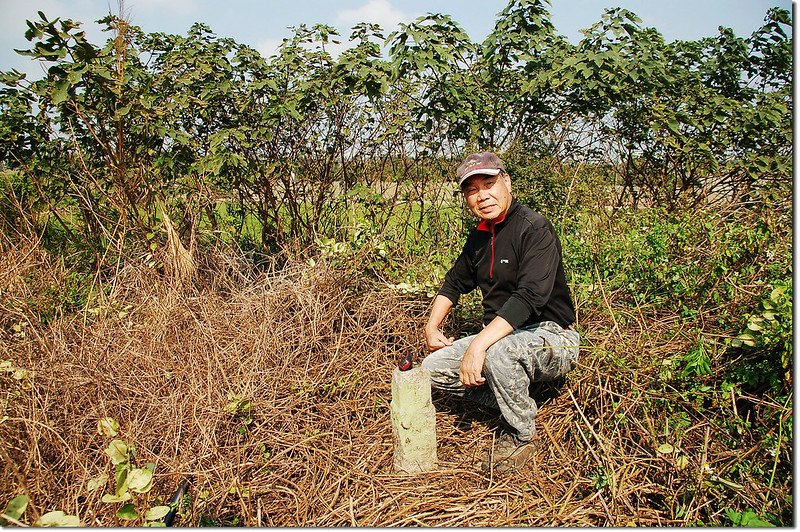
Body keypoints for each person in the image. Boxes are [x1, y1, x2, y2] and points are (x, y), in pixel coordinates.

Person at [421, 151, 580, 473]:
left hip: (552, 335)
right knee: (433, 368)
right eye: (472, 189)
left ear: (506, 182)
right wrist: (431, 326)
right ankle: (520, 404)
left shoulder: (534, 228)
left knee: (499, 355)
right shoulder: (479, 236)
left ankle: (522, 437)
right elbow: (453, 283)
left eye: (489, 183)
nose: (483, 195)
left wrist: (478, 346)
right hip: (502, 335)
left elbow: (530, 297)